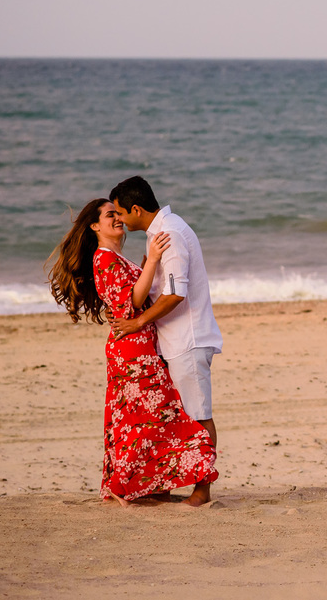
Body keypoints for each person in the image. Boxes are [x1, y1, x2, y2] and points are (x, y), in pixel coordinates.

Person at [47, 198, 218, 506]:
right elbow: (131, 304)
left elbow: (135, 296)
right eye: (110, 215)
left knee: (143, 420)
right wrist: (152, 260)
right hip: (133, 351)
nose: (118, 220)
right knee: (152, 419)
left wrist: (145, 266)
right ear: (95, 226)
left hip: (138, 346)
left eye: (118, 213)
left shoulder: (114, 257)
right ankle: (145, 487)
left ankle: (149, 487)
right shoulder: (105, 259)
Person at [107, 176, 222, 506]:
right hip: (173, 340)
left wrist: (136, 322)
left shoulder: (169, 232)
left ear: (136, 209)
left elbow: (175, 293)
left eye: (121, 214)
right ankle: (167, 484)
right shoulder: (160, 231)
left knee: (198, 415)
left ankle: (202, 490)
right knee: (173, 416)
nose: (120, 220)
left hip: (189, 339)